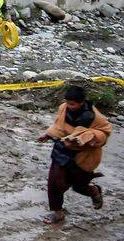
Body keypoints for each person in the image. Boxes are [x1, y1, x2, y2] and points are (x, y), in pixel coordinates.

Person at [38, 85, 112, 224]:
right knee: (55, 183)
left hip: (83, 156)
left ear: (81, 102)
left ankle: (94, 191)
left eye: (72, 104)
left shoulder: (95, 117)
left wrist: (88, 136)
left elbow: (104, 134)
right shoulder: (63, 108)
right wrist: (48, 135)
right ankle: (58, 213)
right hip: (61, 151)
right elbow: (59, 126)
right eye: (67, 103)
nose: (69, 106)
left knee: (79, 186)